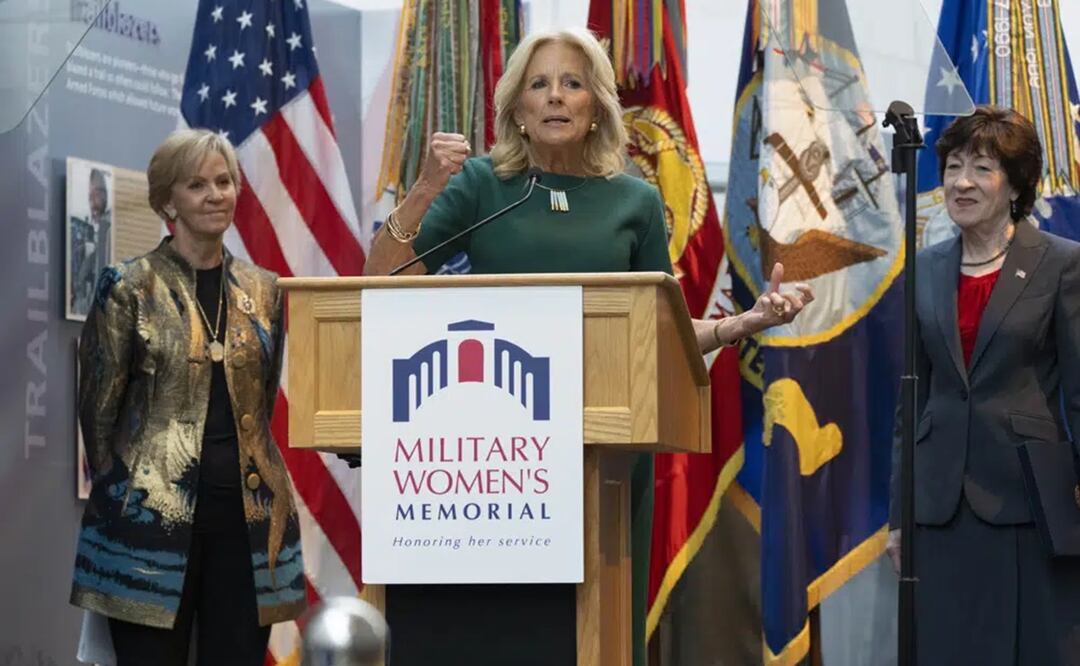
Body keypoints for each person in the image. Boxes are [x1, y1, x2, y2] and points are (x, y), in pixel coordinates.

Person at [364, 26, 813, 665]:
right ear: (515, 106)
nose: (555, 97)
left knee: (588, 636)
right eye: (539, 84)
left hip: (599, 455)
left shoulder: (632, 200)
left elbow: (664, 333)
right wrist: (426, 187)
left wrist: (744, 324)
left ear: (597, 104)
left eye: (572, 83)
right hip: (490, 459)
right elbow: (384, 282)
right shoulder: (481, 186)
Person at [70, 129, 305, 665]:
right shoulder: (127, 287)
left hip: (248, 523)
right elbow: (98, 418)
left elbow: (260, 406)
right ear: (166, 201)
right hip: (146, 527)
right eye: (197, 184)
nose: (215, 195)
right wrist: (129, 491)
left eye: (224, 182)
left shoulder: (265, 290)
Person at [886, 106, 1080, 664]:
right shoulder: (922, 268)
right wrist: (899, 514)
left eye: (982, 168)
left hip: (1028, 503)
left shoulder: (1061, 265)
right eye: (952, 167)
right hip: (939, 505)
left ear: (1016, 183)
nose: (961, 182)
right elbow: (911, 399)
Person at [70, 167, 113, 317]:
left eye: (98, 194)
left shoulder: (107, 227)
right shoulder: (101, 229)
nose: (92, 203)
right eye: (90, 197)